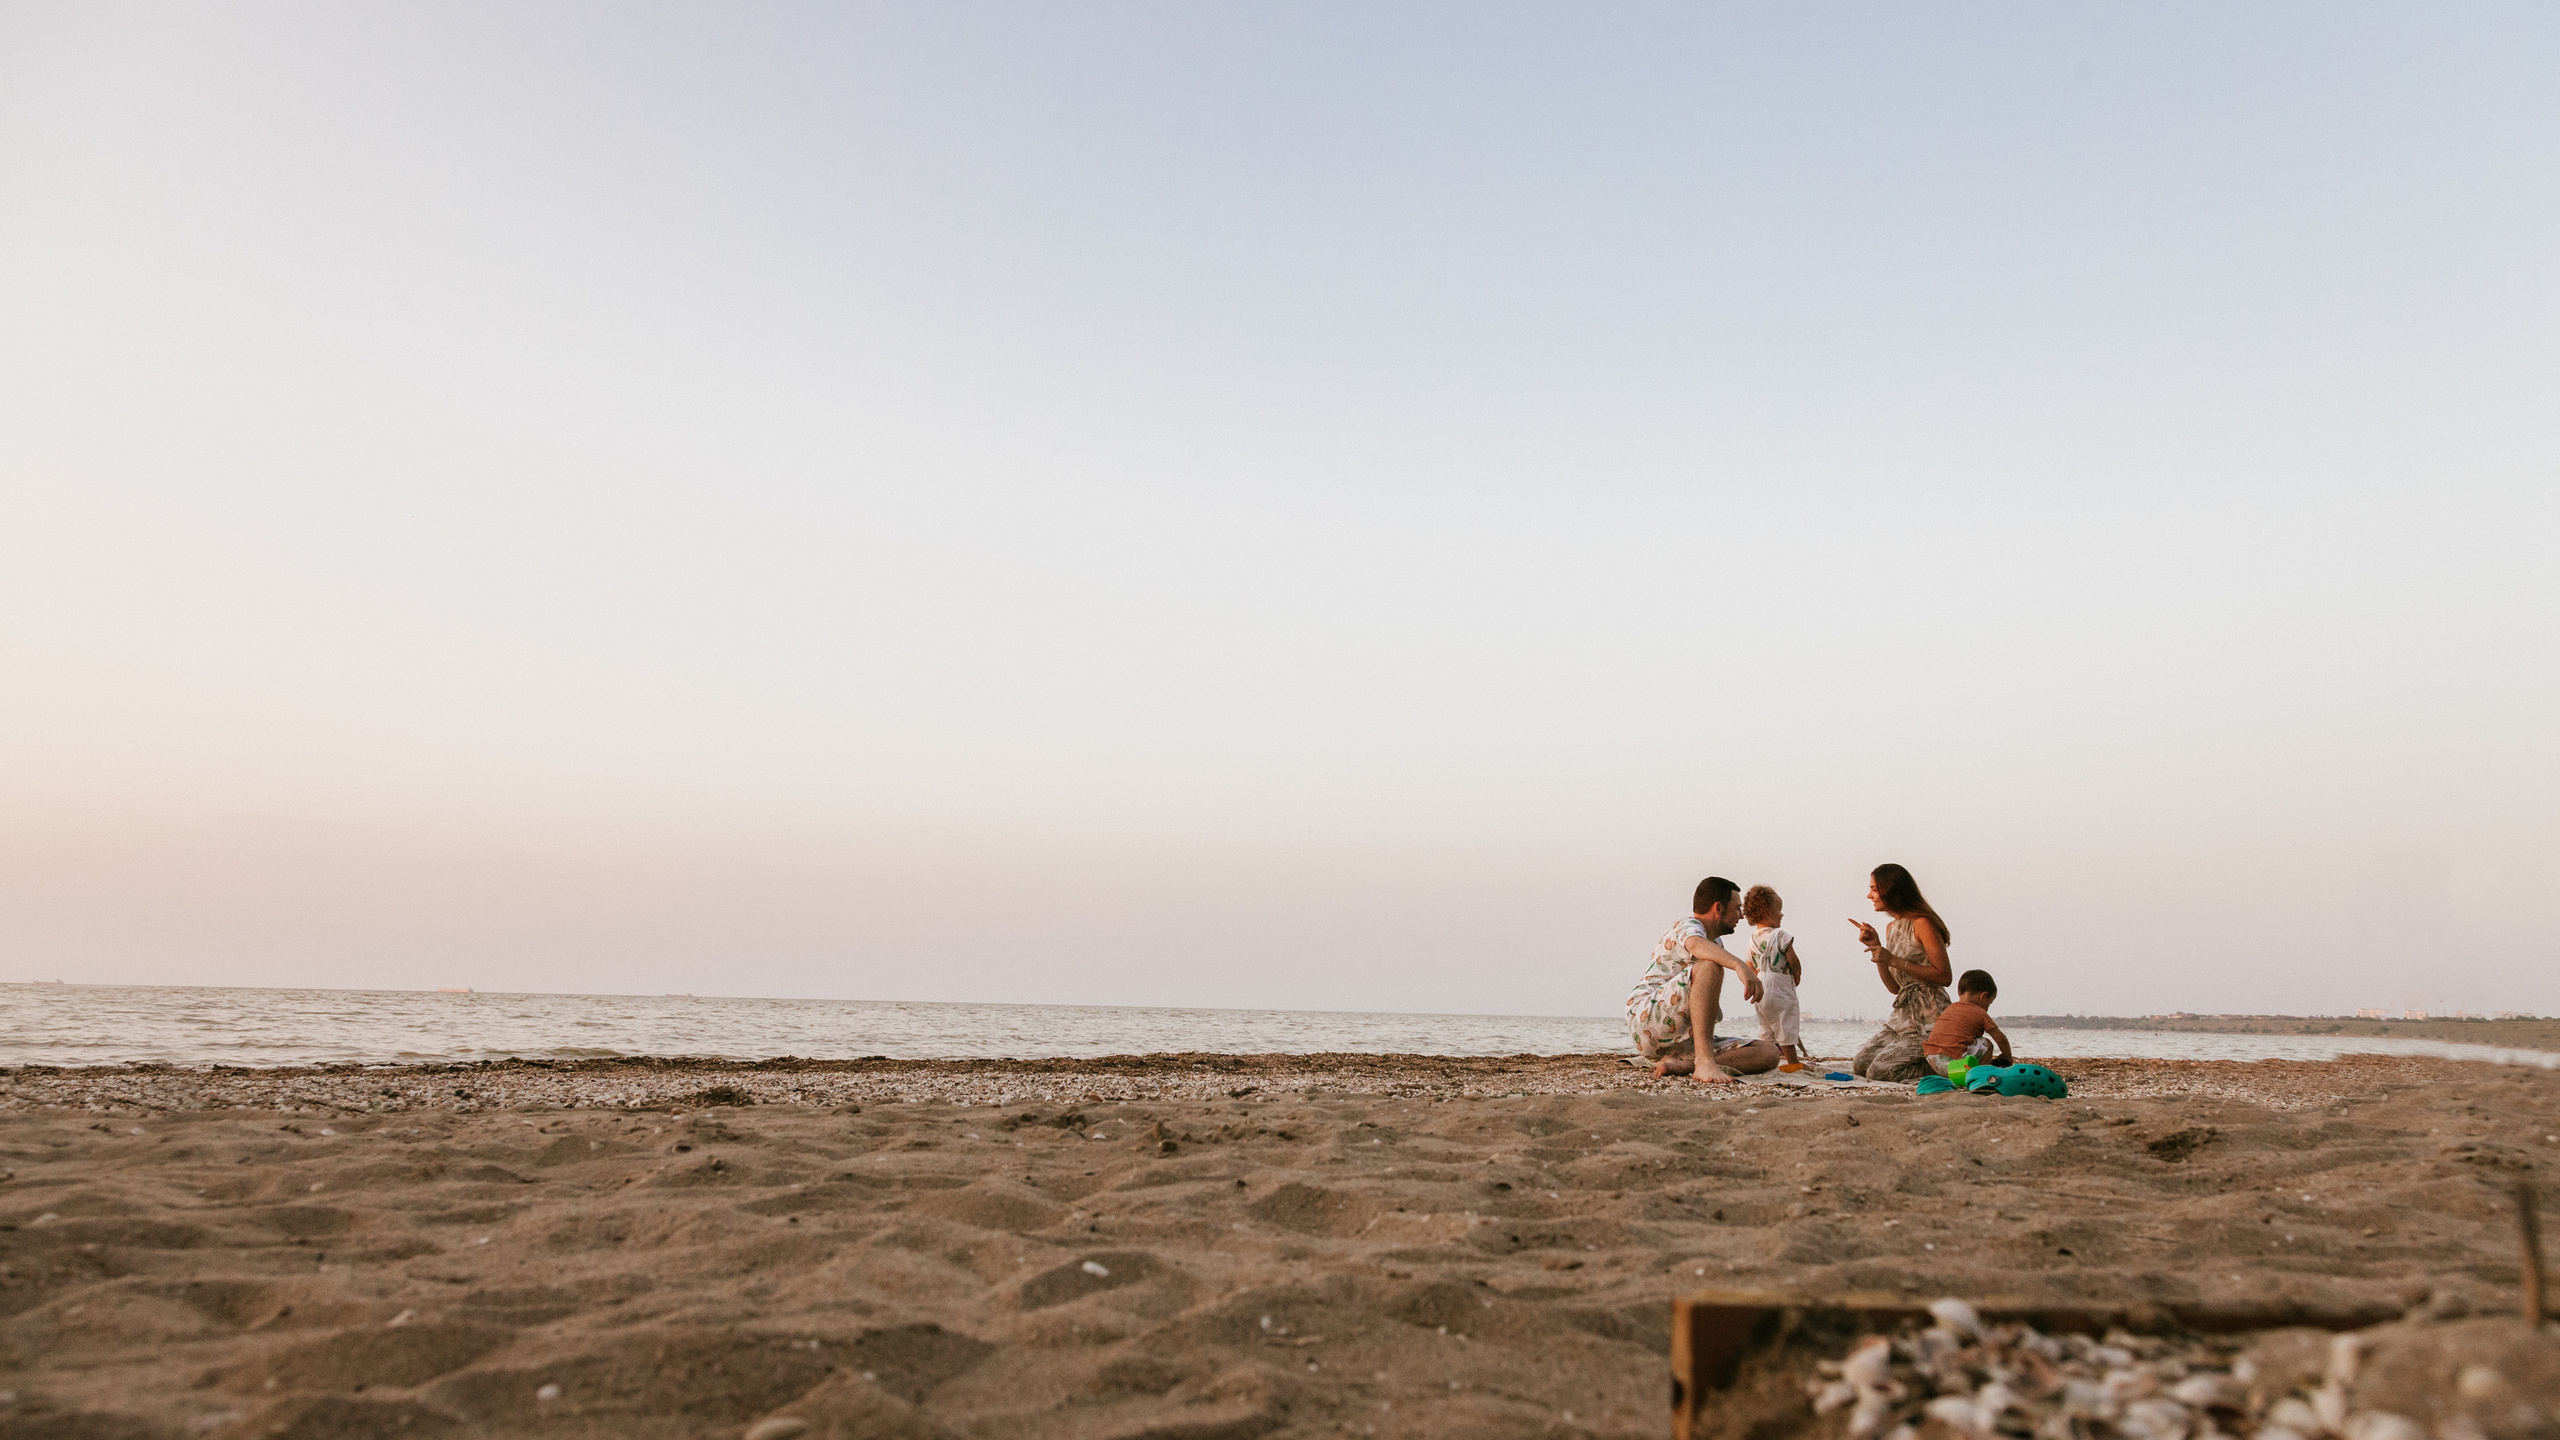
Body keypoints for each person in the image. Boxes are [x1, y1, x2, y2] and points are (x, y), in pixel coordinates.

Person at [1628, 877, 1782, 1084]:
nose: (1741, 916)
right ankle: (1704, 1063)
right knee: (1709, 965)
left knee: (1768, 1052)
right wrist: (1740, 966)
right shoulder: (1687, 925)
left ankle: (1686, 1064)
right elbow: (1695, 946)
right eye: (1737, 909)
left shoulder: (1715, 942)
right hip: (1647, 1018)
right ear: (1718, 908)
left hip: (1682, 1040)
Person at [1845, 863, 1956, 1083]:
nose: (1869, 895)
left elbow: (1944, 976)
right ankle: (1931, 1060)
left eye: (1874, 889)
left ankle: (1940, 1066)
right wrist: (1878, 950)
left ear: (1891, 890)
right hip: (1902, 1018)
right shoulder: (1891, 928)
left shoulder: (1923, 924)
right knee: (1861, 1065)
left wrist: (1894, 960)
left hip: (1929, 1018)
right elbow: (1894, 988)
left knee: (1879, 1072)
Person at [1740, 884, 1808, 1072]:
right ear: (1767, 912)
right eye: (1779, 910)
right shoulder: (1781, 936)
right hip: (1779, 984)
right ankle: (1793, 1063)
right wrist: (1797, 975)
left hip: (1761, 984)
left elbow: (1749, 965)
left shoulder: (1752, 939)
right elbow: (1793, 961)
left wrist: (1758, 978)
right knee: (1785, 1024)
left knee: (1767, 1027)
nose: (1782, 914)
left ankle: (1764, 1058)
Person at [1923, 969, 2012, 1075]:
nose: (1987, 1008)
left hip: (1932, 1060)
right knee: (1986, 1044)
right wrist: (2007, 1057)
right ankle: (1981, 1075)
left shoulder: (1949, 1009)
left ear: (1959, 992)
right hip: (1954, 1061)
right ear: (1983, 996)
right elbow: (2001, 1039)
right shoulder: (1979, 1012)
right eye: (1989, 1003)